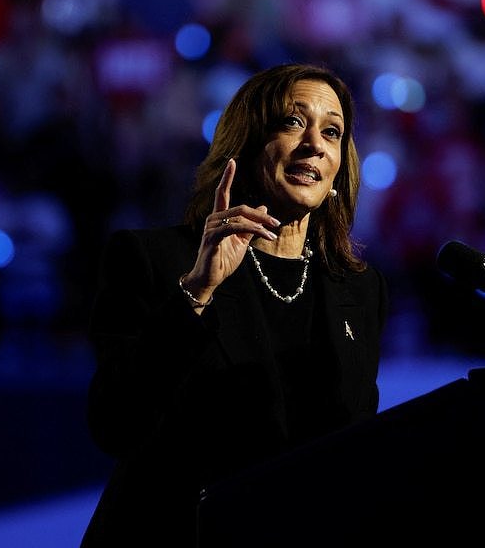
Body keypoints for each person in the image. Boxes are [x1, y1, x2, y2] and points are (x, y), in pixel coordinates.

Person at [80, 63, 389, 547]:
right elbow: (115, 423)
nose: (314, 143)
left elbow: (355, 443)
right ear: (242, 146)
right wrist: (196, 292)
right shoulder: (157, 261)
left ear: (338, 170)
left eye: (332, 131)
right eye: (291, 122)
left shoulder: (359, 289)